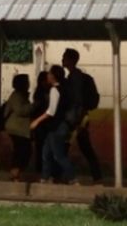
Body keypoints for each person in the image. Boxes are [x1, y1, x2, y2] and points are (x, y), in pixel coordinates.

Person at [29, 65, 76, 184]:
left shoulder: (54, 90)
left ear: (54, 76)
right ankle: (45, 178)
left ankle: (72, 178)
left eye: (49, 73)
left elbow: (51, 111)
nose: (47, 76)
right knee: (46, 152)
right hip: (59, 126)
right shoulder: (65, 89)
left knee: (58, 155)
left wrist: (36, 121)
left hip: (56, 126)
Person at [62, 48, 102, 184]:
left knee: (63, 148)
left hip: (75, 119)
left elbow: (76, 100)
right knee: (85, 148)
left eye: (64, 57)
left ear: (71, 60)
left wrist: (77, 119)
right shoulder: (80, 78)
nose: (62, 60)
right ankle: (97, 177)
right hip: (80, 117)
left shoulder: (75, 79)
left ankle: (66, 176)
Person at [2, 74, 33, 181]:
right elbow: (21, 111)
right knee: (22, 151)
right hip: (17, 129)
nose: (29, 84)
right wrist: (33, 106)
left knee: (22, 151)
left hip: (19, 129)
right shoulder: (17, 96)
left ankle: (15, 174)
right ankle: (14, 174)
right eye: (27, 81)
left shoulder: (21, 95)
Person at [29, 71, 51, 178]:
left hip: (42, 124)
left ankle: (42, 170)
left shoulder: (42, 92)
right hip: (42, 124)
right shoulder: (41, 93)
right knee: (42, 148)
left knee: (42, 148)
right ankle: (42, 170)